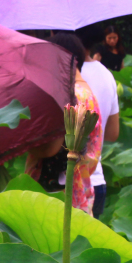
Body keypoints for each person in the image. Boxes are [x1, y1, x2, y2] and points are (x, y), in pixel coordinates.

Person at [26, 33, 103, 215]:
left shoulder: (67, 96)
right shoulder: (88, 94)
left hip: (56, 204)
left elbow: (47, 149)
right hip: (81, 196)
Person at [81, 53, 120, 216]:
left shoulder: (62, 72)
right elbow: (112, 133)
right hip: (97, 180)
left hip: (65, 185)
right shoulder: (106, 74)